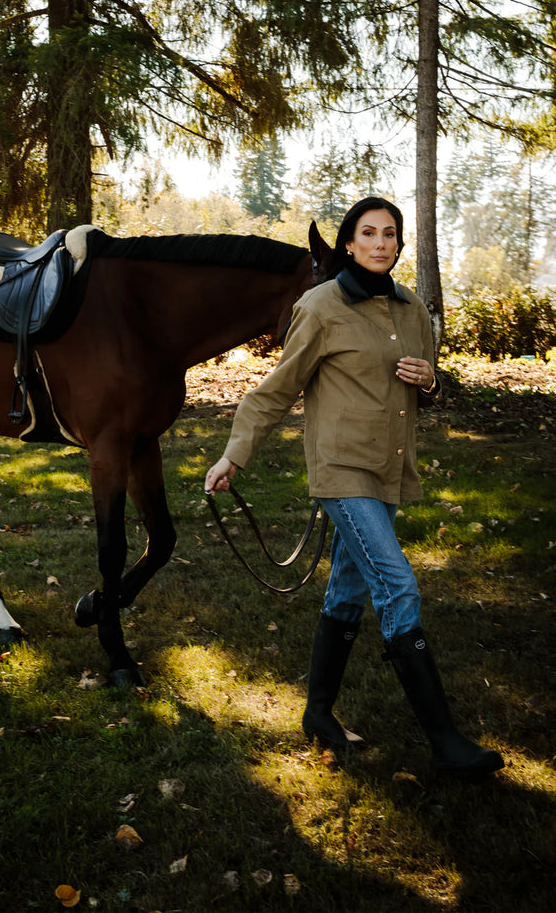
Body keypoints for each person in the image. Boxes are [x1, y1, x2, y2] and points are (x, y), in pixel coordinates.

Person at [204, 196, 503, 779]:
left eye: (390, 234)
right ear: (348, 243)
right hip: (341, 473)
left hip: (387, 468)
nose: (380, 243)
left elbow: (421, 381)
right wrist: (234, 456)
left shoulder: (412, 308)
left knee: (346, 593)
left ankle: (318, 714)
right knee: (398, 589)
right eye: (368, 233)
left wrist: (432, 379)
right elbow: (276, 389)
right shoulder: (320, 306)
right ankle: (446, 744)